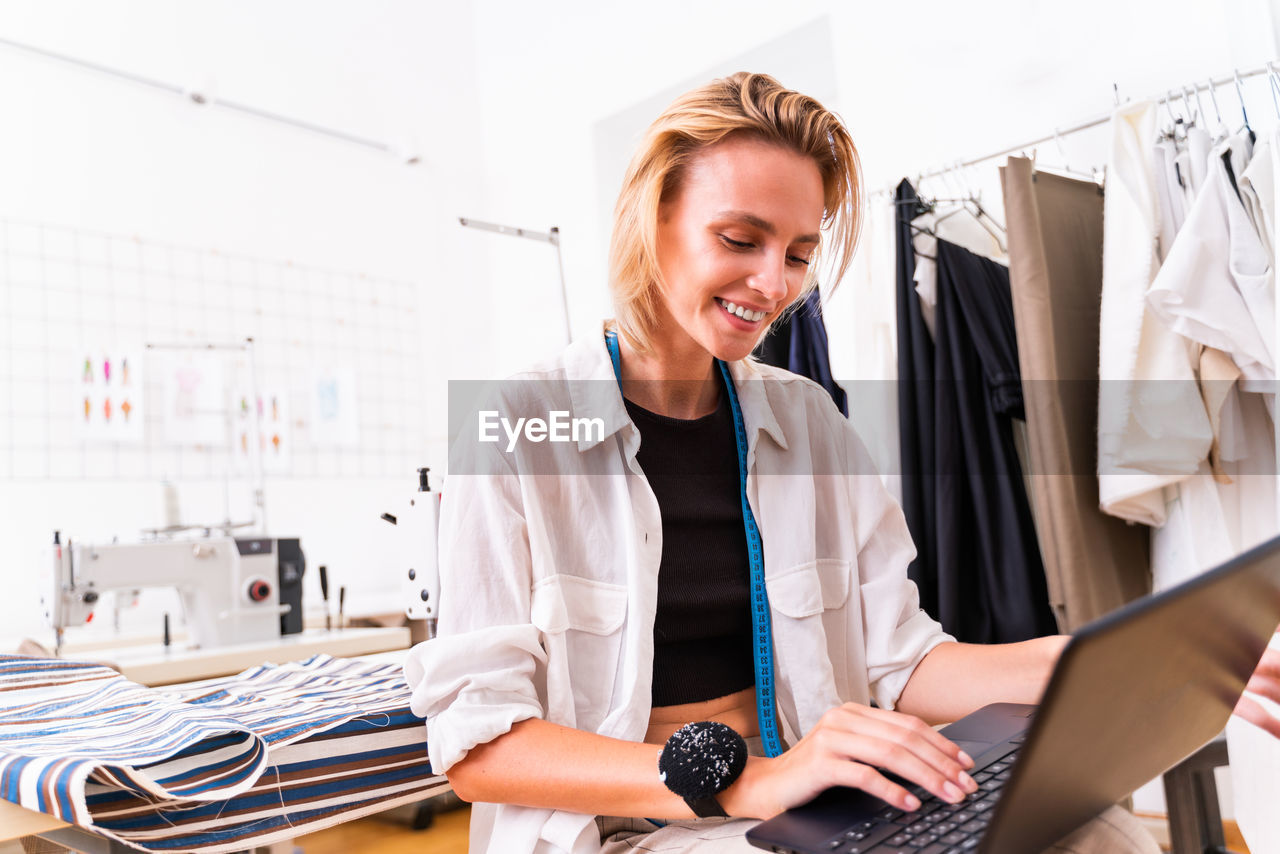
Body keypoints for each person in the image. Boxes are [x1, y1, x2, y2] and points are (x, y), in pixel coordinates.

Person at [404, 72, 1280, 854]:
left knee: (1100, 833)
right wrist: (748, 782)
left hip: (814, 800)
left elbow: (905, 663)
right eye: (740, 239)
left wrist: (1154, 657)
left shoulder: (807, 423)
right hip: (626, 828)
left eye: (797, 253)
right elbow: (485, 750)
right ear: (654, 216)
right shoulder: (513, 422)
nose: (774, 284)